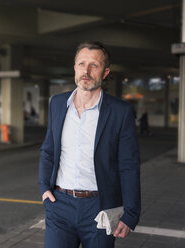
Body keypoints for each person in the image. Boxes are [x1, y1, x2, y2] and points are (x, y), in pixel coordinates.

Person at [39, 41, 140, 248]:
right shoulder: (58, 103)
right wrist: (43, 187)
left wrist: (131, 213)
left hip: (99, 207)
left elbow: (128, 165)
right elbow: (48, 149)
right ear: (74, 68)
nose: (86, 70)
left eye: (94, 65)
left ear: (105, 72)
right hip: (59, 205)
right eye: (81, 63)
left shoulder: (120, 111)